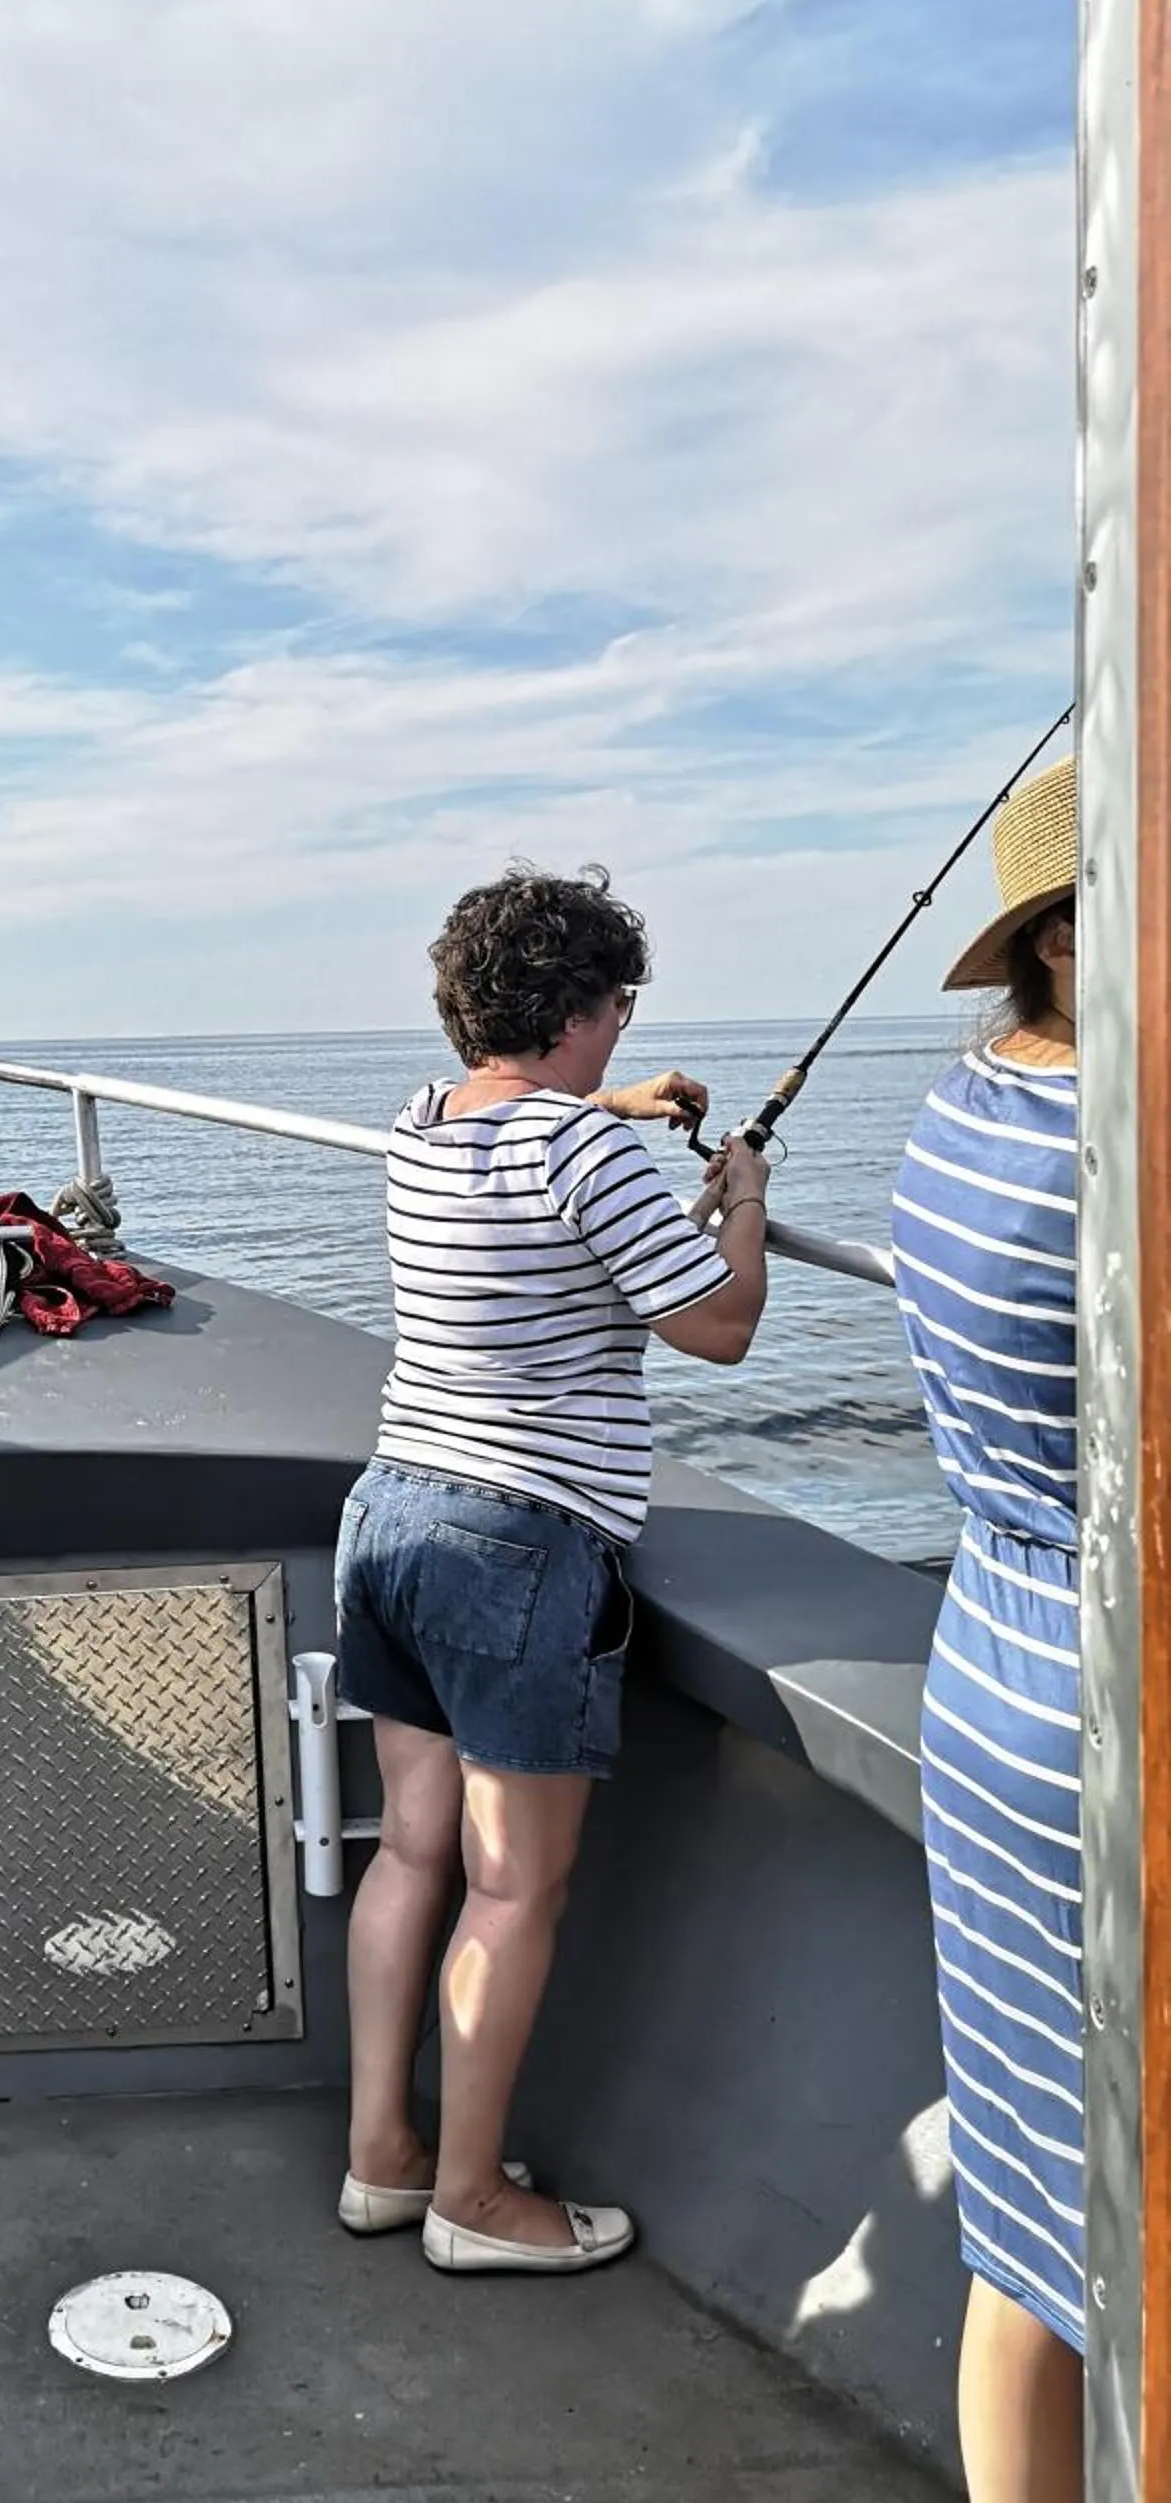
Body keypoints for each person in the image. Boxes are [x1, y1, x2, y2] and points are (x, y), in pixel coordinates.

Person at [335, 864, 770, 2275]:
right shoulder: (585, 1162)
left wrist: (620, 1106)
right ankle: (474, 2199)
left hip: (391, 1513)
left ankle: (381, 2160)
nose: (626, 1032)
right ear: (586, 1012)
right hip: (514, 1546)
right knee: (511, 1888)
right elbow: (714, 1330)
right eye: (620, 1010)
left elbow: (523, 1120)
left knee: (412, 1849)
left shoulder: (418, 1129)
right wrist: (740, 1204)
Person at [890, 758, 1083, 2503]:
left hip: (987, 1671)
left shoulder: (960, 1113)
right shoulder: (1121, 1155)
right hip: (1118, 1728)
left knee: (1031, 2229)